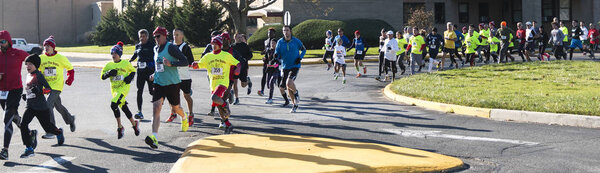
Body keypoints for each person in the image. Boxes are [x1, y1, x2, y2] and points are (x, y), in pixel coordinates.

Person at [144, 26, 189, 149]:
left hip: (172, 83)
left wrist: (171, 63)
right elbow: (159, 65)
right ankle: (154, 137)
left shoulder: (171, 47)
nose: (156, 39)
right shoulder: (155, 48)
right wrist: (154, 74)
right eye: (155, 37)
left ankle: (184, 117)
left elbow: (185, 61)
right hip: (159, 83)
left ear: (164, 36)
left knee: (176, 108)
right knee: (156, 107)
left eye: (158, 36)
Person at [19, 54, 65, 158]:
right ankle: (29, 148)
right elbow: (30, 90)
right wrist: (26, 95)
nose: (28, 66)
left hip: (41, 107)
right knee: (23, 124)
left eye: (30, 64)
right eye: (26, 64)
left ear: (36, 65)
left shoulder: (39, 75)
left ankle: (58, 132)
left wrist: (40, 90)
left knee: (48, 128)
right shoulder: (28, 75)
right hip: (30, 106)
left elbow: (48, 89)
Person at [194, 35, 240, 133]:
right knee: (218, 105)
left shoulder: (226, 55)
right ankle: (228, 124)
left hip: (223, 82)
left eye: (216, 44)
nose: (214, 46)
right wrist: (194, 65)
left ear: (220, 45)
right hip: (213, 84)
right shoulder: (208, 56)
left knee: (214, 98)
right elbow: (199, 65)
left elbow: (237, 63)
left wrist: (238, 69)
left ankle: (225, 104)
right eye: (212, 44)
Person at [38, 36, 76, 139]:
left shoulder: (60, 58)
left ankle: (51, 130)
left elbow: (70, 69)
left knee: (47, 105)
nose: (46, 47)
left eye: (49, 45)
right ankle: (70, 119)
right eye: (45, 45)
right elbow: (38, 72)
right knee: (58, 106)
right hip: (47, 87)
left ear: (53, 47)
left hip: (57, 86)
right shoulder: (41, 58)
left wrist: (70, 79)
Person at [101, 42, 140, 139]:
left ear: (120, 54)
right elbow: (102, 76)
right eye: (112, 53)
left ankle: (120, 127)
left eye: (115, 53)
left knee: (113, 104)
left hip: (123, 88)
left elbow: (133, 70)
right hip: (114, 90)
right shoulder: (108, 65)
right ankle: (134, 124)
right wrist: (108, 73)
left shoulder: (126, 63)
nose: (113, 55)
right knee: (124, 108)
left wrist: (130, 77)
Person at [0, 30, 28, 160]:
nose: (1, 44)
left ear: (9, 41)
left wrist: (36, 78)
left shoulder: (17, 53)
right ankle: (29, 133)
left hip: (15, 90)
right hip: (2, 91)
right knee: (13, 116)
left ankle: (5, 150)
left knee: (7, 119)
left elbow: (33, 60)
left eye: (3, 41)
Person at [165, 28, 195, 126]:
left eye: (177, 35)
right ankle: (173, 113)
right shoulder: (170, 46)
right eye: (174, 34)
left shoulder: (185, 47)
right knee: (171, 96)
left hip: (184, 76)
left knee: (186, 96)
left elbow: (190, 61)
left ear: (182, 36)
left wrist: (176, 62)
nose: (175, 36)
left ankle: (190, 114)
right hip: (173, 76)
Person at [274, 25, 306, 113]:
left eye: (287, 30)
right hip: (285, 67)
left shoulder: (296, 41)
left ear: (290, 31)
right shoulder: (280, 42)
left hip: (295, 65)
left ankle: (296, 93)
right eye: (284, 30)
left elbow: (304, 49)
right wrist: (276, 56)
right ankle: (294, 104)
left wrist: (300, 57)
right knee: (284, 87)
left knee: (289, 83)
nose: (285, 32)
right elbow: (277, 52)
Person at [129, 29, 156, 120]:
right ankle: (139, 111)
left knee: (151, 91)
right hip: (140, 72)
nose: (142, 38)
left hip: (149, 72)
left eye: (144, 36)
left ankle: (157, 109)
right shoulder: (138, 46)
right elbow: (135, 55)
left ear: (147, 37)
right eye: (140, 36)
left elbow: (156, 57)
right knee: (139, 91)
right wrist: (129, 61)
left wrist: (153, 67)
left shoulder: (152, 45)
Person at [231, 33, 253, 105]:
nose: (240, 38)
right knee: (234, 83)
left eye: (241, 37)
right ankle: (237, 98)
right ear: (235, 38)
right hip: (234, 67)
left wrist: (245, 59)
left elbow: (250, 55)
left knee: (243, 85)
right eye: (238, 37)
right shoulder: (232, 46)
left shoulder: (245, 46)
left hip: (243, 67)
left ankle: (248, 81)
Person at [263, 38, 286, 105]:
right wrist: (264, 59)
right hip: (269, 70)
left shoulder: (278, 51)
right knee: (268, 85)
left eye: (274, 43)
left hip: (276, 70)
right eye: (271, 43)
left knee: (271, 83)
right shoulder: (268, 51)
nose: (272, 44)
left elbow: (279, 62)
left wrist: (274, 65)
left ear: (276, 44)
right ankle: (276, 83)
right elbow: (266, 59)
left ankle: (270, 99)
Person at [259, 28, 277, 96]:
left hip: (274, 62)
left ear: (274, 34)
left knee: (274, 77)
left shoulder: (276, 41)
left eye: (271, 33)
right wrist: (263, 55)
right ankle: (262, 90)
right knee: (264, 75)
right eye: (269, 32)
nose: (269, 34)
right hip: (266, 62)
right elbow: (266, 50)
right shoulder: (265, 41)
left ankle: (282, 87)